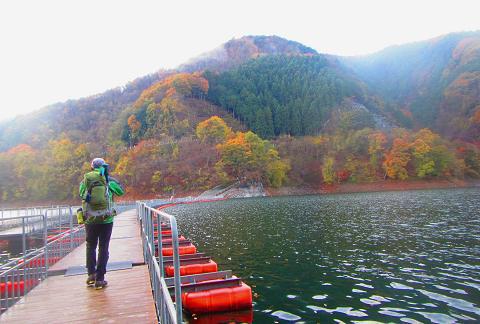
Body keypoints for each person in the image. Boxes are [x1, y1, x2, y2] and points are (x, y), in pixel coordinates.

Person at [79, 158, 124, 289]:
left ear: (92, 167)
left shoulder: (85, 181)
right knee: (103, 247)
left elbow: (81, 194)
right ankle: (100, 279)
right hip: (106, 219)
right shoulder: (108, 179)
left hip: (90, 219)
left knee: (90, 246)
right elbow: (121, 192)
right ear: (104, 166)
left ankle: (91, 275)